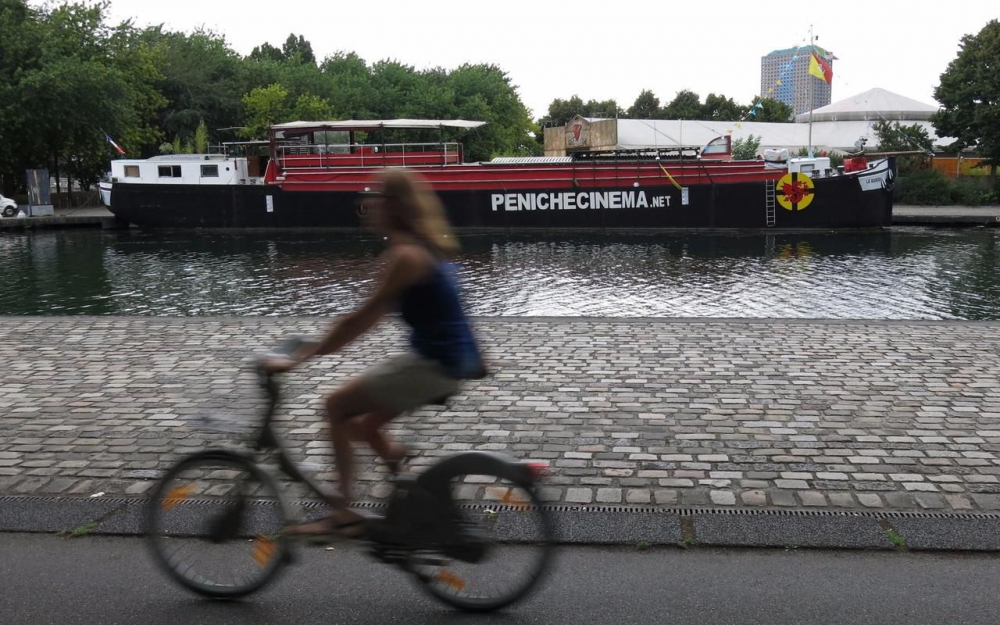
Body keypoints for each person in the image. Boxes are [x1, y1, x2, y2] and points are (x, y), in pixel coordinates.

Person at [261, 168, 484, 536]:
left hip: (431, 365)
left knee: (335, 407)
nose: (369, 203)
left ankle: (343, 513)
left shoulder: (406, 256)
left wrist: (300, 357)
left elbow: (359, 321)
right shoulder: (425, 247)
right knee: (366, 426)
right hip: (444, 361)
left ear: (395, 205)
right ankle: (407, 490)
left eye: (378, 196)